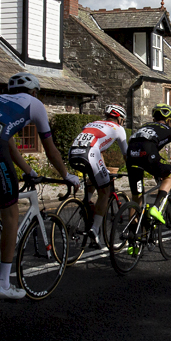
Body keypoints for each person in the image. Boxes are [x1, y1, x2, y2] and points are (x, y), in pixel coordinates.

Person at [0, 73, 80, 300]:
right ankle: (3, 283)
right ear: (34, 91)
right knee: (11, 211)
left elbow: (10, 146)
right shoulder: (35, 104)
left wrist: (30, 171)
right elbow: (50, 149)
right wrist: (66, 174)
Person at [68, 104, 128, 246]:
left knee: (94, 178)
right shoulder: (118, 129)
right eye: (123, 120)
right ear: (119, 119)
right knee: (105, 191)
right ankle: (94, 229)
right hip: (90, 154)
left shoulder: (92, 123)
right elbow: (126, 154)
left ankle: (86, 203)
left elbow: (98, 148)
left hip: (73, 153)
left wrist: (104, 169)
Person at [126, 103, 171, 224]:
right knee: (170, 175)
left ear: (154, 119)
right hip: (147, 153)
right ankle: (156, 208)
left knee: (136, 197)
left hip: (131, 154)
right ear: (169, 120)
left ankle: (132, 237)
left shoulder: (144, 126)